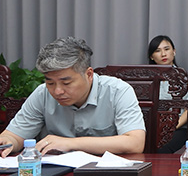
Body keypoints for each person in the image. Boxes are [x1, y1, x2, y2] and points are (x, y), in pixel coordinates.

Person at [0, 37, 145, 157]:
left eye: (66, 83)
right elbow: (14, 136)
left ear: (88, 74)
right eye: (50, 83)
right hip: (54, 174)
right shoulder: (42, 94)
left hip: (103, 174)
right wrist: (7, 142)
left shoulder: (118, 91)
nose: (57, 91)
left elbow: (135, 143)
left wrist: (69, 143)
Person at [148, 34, 188, 154]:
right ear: (152, 57)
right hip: (152, 128)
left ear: (174, 51)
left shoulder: (185, 78)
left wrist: (171, 127)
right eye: (158, 51)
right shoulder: (146, 79)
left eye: (167, 49)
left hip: (178, 128)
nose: (163, 54)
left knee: (161, 148)